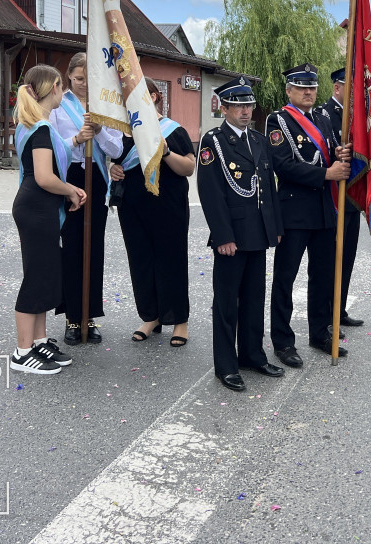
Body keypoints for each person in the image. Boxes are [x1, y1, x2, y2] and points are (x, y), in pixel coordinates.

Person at [197, 77, 286, 391]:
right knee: (226, 304)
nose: (246, 111)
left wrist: (273, 228)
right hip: (232, 237)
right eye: (238, 106)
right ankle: (226, 365)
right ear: (224, 107)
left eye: (248, 105)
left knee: (253, 299)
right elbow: (211, 192)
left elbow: (269, 189)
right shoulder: (215, 142)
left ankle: (252, 355)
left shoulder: (259, 140)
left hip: (257, 234)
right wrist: (222, 236)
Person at [266, 63, 351, 367]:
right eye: (301, 87)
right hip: (294, 210)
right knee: (285, 279)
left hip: (324, 210)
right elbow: (283, 165)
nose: (308, 92)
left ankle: (319, 333)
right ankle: (283, 341)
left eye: (312, 87)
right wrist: (327, 172)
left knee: (323, 277)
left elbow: (328, 152)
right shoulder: (278, 121)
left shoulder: (324, 118)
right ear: (289, 90)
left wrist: (339, 156)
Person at [10, 65, 86, 374]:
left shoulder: (35, 124)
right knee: (37, 277)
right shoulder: (40, 128)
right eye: (60, 86)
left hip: (37, 207)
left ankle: (39, 341)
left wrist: (76, 141)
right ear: (55, 87)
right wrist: (71, 190)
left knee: (43, 274)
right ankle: (22, 351)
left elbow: (54, 155)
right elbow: (44, 176)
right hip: (37, 207)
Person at [109, 77, 196, 347]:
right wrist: (113, 170)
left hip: (168, 206)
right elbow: (115, 163)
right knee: (141, 260)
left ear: (155, 97)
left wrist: (166, 151)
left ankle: (179, 320)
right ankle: (151, 316)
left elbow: (188, 168)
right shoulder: (121, 133)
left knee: (171, 261)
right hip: (133, 207)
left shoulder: (173, 130)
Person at [48, 52, 123, 345]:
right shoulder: (57, 107)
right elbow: (50, 147)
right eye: (79, 79)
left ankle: (89, 316)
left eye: (89, 80)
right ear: (69, 77)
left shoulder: (105, 106)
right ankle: (70, 317)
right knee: (72, 251)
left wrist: (101, 132)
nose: (84, 85)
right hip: (68, 179)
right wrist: (77, 139)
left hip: (96, 179)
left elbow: (116, 150)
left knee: (93, 251)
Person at [319, 67, 364, 328]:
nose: (356, 93)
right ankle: (327, 313)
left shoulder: (353, 116)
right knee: (332, 258)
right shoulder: (325, 115)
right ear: (337, 88)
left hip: (352, 197)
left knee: (347, 256)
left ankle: (340, 308)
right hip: (335, 198)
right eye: (351, 87)